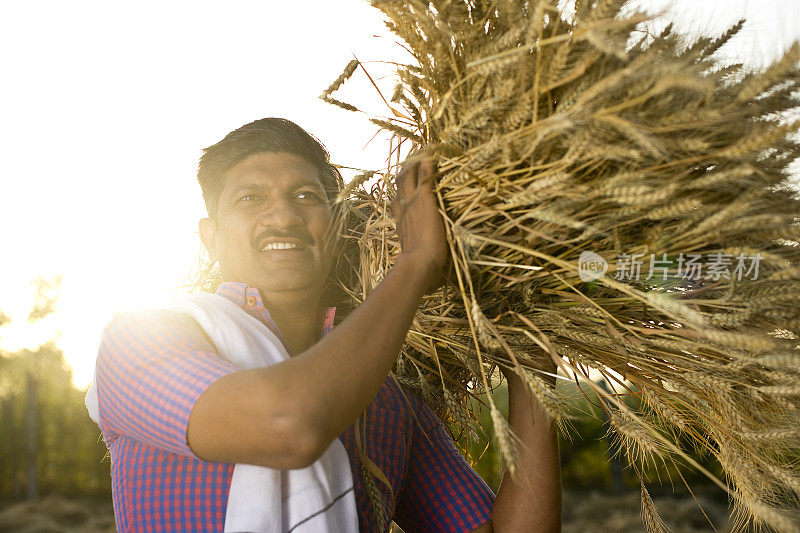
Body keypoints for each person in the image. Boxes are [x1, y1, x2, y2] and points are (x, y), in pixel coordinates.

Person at [86, 117, 562, 532]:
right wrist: (416, 263)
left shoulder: (385, 397)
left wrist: (533, 357)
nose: (283, 216)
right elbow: (289, 424)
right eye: (250, 198)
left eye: (305, 195)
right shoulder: (141, 340)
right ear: (210, 237)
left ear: (335, 228)